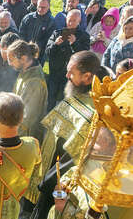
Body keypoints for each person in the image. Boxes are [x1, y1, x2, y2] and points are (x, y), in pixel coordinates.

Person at [25, 51, 100, 219]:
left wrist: (48, 182)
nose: (67, 76)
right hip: (52, 168)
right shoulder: (76, 97)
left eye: (71, 73)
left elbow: (73, 157)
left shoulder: (93, 115)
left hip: (61, 184)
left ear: (87, 77)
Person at [47, 9, 90, 110]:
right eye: (69, 20)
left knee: (65, 100)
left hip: (71, 75)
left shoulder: (84, 36)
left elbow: (84, 57)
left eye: (74, 20)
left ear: (79, 21)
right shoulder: (57, 33)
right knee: (50, 97)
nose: (70, 23)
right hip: (55, 72)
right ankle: (46, 121)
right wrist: (55, 44)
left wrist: (75, 43)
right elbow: (47, 52)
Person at [7, 40, 47, 141]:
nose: (9, 64)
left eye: (11, 60)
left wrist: (9, 137)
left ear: (23, 58)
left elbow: (26, 119)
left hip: (27, 136)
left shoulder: (34, 82)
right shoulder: (25, 69)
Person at [19, 0, 55, 65]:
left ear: (49, 6)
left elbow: (48, 40)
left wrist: (35, 48)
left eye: (43, 7)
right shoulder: (28, 18)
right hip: (25, 51)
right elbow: (21, 33)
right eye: (39, 6)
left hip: (40, 54)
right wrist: (26, 46)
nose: (40, 9)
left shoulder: (51, 22)